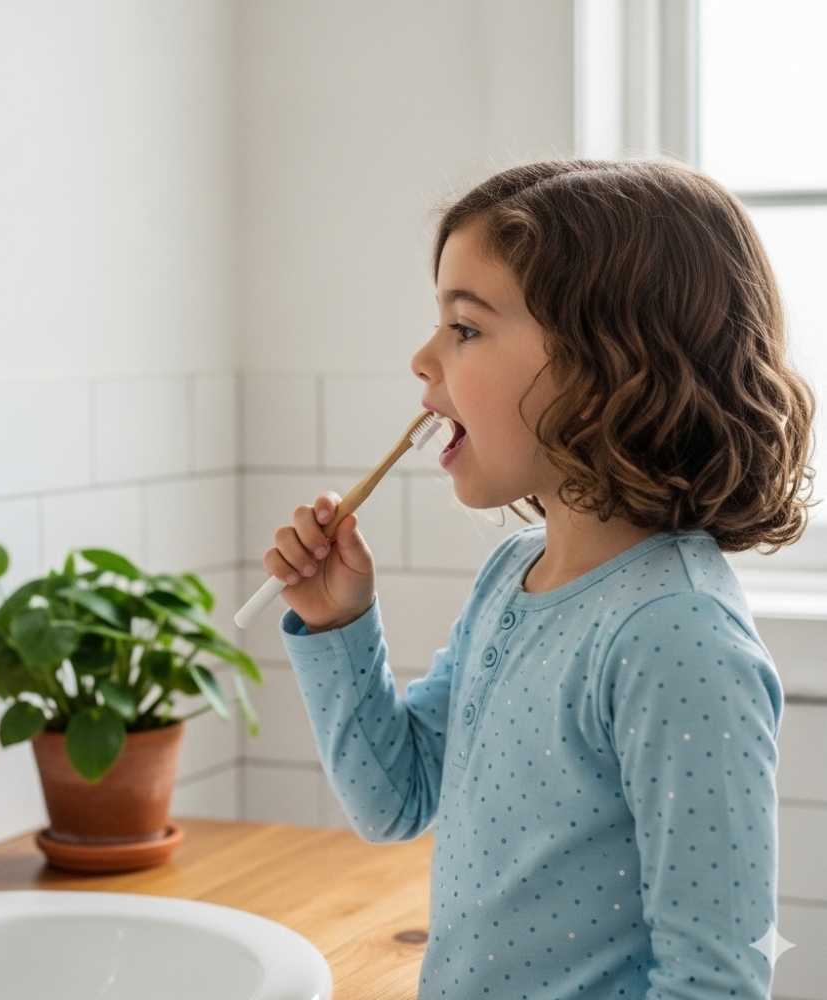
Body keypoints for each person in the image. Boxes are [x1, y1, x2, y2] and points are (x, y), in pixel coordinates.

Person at [264, 159, 816, 999]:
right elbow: (399, 798)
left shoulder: (677, 639)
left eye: (467, 328)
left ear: (605, 368)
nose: (423, 359)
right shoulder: (513, 575)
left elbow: (715, 983)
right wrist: (340, 624)